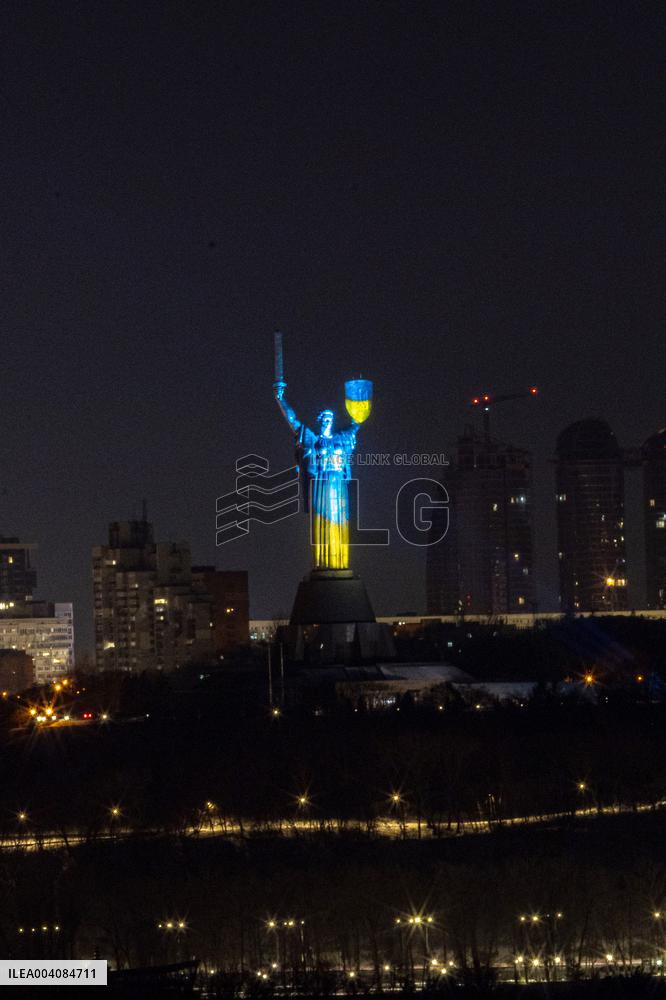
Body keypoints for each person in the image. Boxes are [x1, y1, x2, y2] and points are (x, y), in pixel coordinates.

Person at [274, 382, 359, 570]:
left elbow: (357, 423)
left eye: (330, 419)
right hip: (320, 486)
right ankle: (322, 564)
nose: (328, 422)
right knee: (322, 524)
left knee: (339, 522)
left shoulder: (340, 440)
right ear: (319, 421)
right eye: (324, 419)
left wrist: (359, 405)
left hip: (338, 485)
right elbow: (293, 420)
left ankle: (339, 564)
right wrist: (281, 399)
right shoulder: (312, 439)